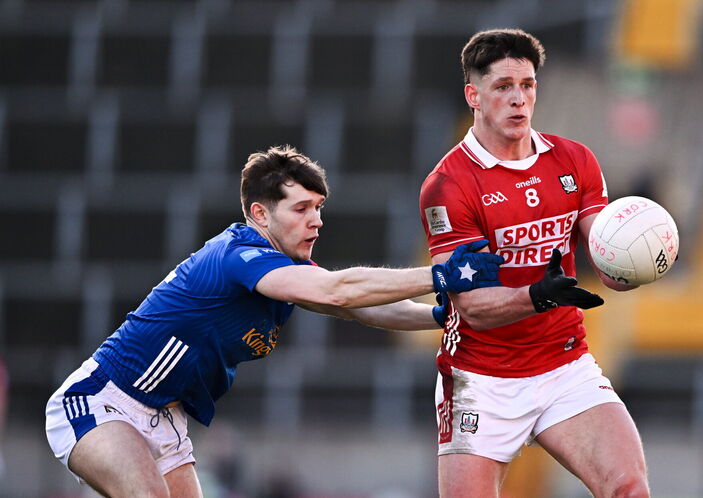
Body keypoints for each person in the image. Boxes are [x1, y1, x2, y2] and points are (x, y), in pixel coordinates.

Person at [45, 144, 504, 497]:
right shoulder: (239, 254)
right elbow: (339, 290)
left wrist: (441, 317)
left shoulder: (286, 271)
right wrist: (441, 274)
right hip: (101, 401)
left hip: (165, 418)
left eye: (319, 208)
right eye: (301, 209)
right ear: (260, 214)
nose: (316, 221)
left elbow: (355, 306)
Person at [418, 29, 650, 498]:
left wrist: (639, 258)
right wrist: (538, 295)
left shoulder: (574, 160)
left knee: (629, 488)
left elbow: (608, 263)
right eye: (503, 86)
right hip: (481, 378)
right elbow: (473, 306)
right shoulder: (447, 186)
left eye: (527, 85)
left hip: (564, 365)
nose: (518, 99)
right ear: (474, 96)